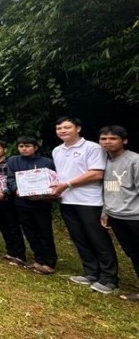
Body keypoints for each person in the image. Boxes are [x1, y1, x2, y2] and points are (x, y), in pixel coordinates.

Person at [52, 116, 117, 293]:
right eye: (59, 128)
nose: (63, 131)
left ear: (78, 128)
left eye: (67, 127)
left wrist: (67, 184)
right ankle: (90, 272)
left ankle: (109, 279)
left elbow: (97, 174)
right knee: (79, 238)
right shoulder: (57, 151)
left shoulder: (92, 148)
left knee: (98, 239)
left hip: (90, 201)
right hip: (66, 200)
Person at [99, 126, 139, 301]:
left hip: (135, 216)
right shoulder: (105, 161)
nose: (107, 142)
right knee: (132, 253)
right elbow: (108, 190)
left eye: (113, 138)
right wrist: (105, 212)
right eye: (104, 138)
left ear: (124, 140)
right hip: (115, 215)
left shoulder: (134, 160)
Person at [7, 136, 57, 274]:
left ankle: (49, 262)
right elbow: (10, 178)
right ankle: (38, 259)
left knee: (44, 232)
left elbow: (53, 179)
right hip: (22, 203)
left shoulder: (47, 162)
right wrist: (17, 189)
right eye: (21, 146)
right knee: (29, 232)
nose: (24, 149)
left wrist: (48, 193)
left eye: (28, 146)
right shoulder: (13, 161)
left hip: (41, 203)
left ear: (35, 147)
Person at [0, 140, 27, 263]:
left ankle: (20, 255)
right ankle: (10, 251)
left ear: (5, 149)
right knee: (2, 226)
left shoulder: (10, 163)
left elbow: (13, 180)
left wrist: (5, 192)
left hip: (8, 199)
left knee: (13, 226)